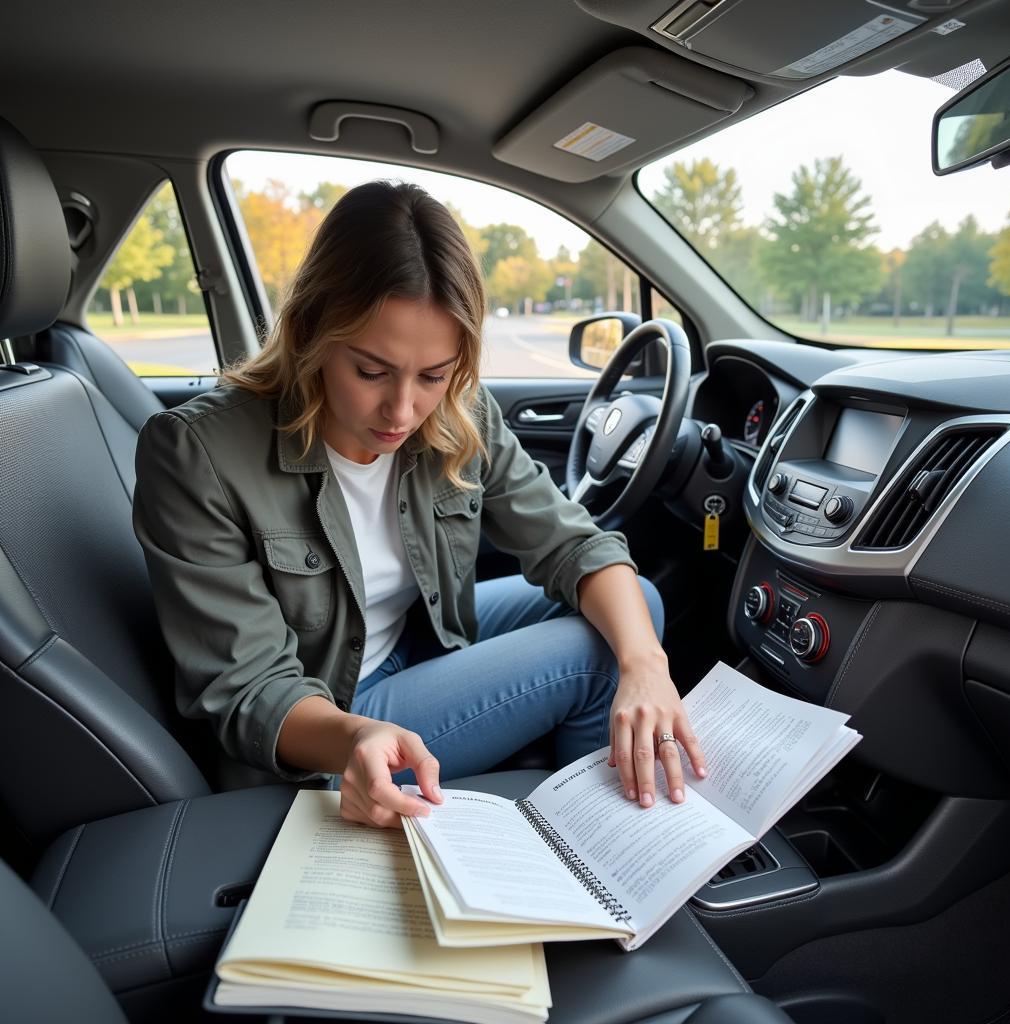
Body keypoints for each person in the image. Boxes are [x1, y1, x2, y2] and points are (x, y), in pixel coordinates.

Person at [133, 180, 706, 830]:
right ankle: (600, 842)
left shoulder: (462, 416)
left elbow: (575, 545)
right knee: (591, 657)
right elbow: (251, 692)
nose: (402, 411)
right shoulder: (196, 453)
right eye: (372, 372)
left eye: (434, 375)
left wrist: (648, 668)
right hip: (324, 728)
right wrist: (354, 739)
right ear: (310, 333)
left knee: (633, 618)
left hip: (417, 645)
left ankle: (590, 816)